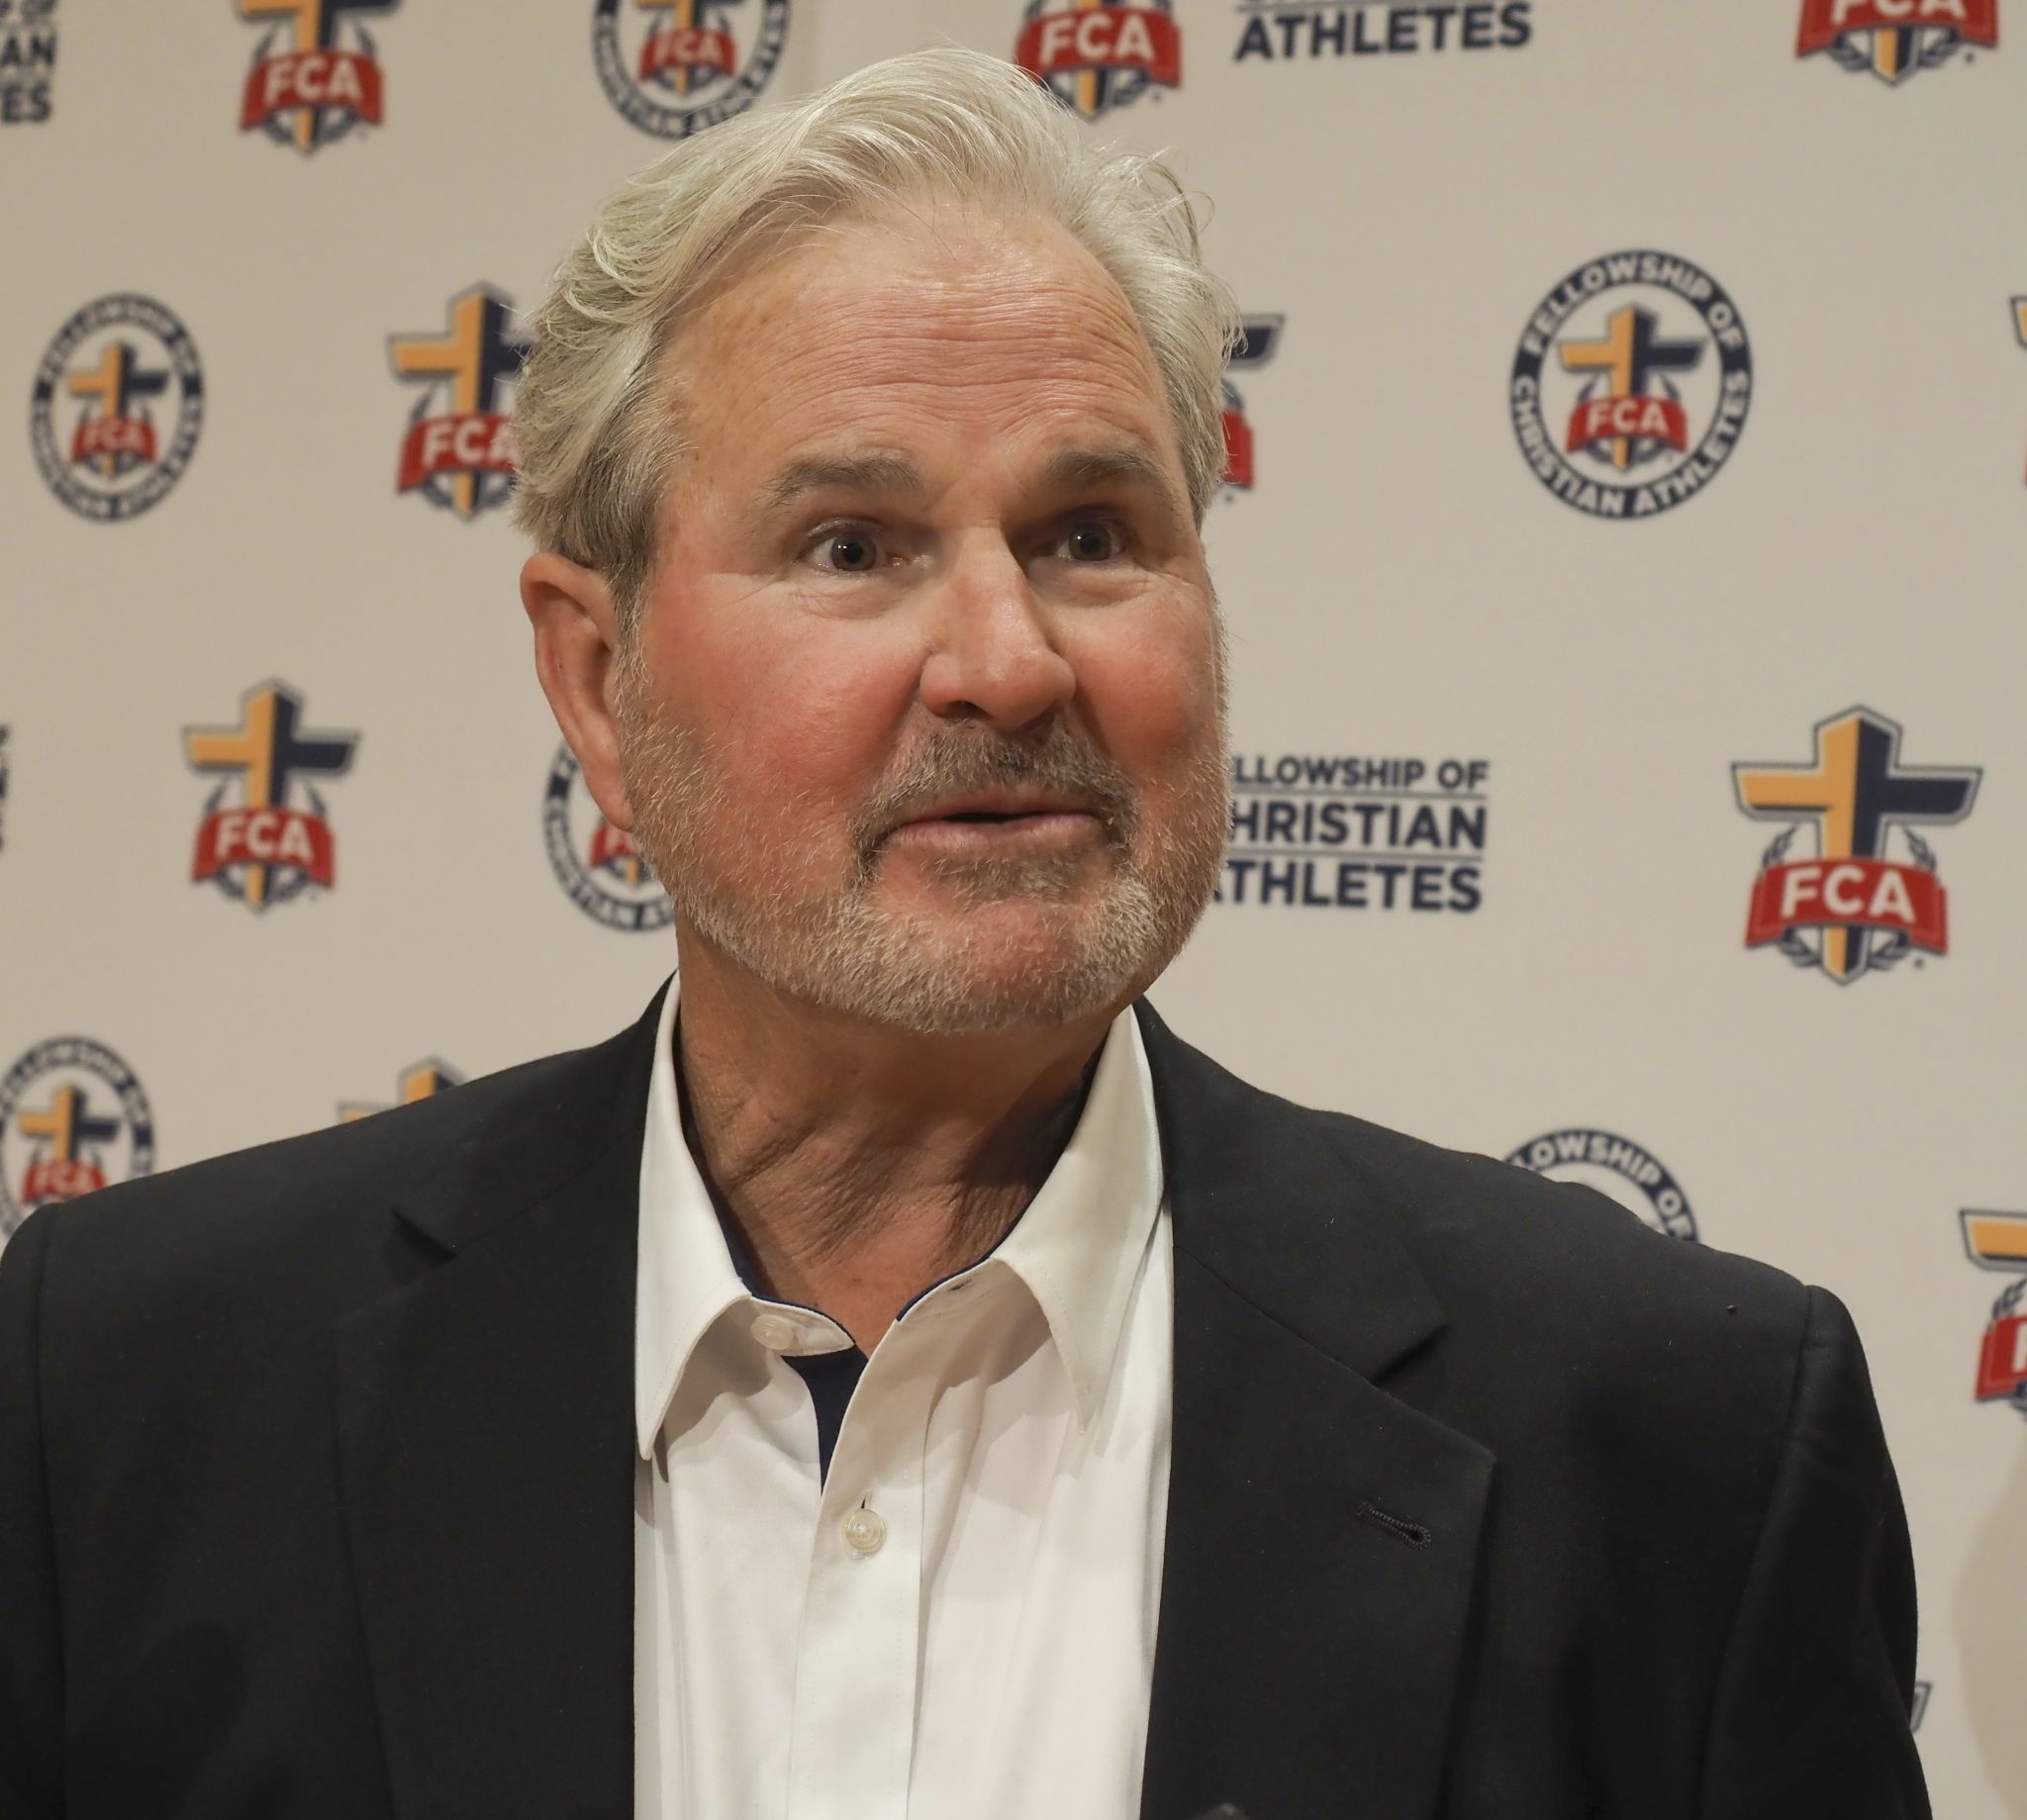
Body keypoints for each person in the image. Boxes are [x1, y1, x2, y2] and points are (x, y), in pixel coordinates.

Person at [0, 47, 1928, 1820]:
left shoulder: (1675, 1446)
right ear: (596, 682)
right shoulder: (124, 1394)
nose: (1010, 658)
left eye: (1093, 531)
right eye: (853, 546)